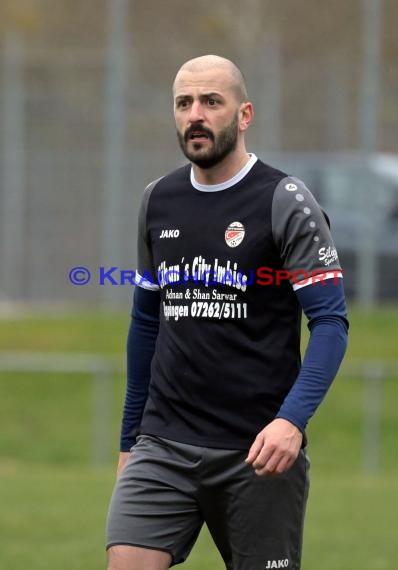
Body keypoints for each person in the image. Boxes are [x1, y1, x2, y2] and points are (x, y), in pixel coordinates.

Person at [106, 54, 348, 570]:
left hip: (257, 454)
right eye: (184, 103)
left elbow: (330, 322)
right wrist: (130, 438)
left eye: (211, 102)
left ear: (244, 115)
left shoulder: (285, 201)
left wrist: (291, 421)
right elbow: (146, 322)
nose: (196, 114)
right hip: (163, 445)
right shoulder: (157, 200)